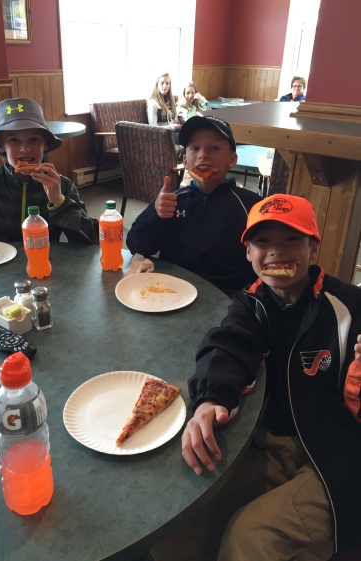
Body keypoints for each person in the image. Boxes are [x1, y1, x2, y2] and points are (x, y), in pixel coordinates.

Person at [152, 194, 361, 561]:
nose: (276, 251)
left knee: (249, 538)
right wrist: (210, 399)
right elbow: (228, 344)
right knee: (171, 532)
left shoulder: (349, 305)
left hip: (337, 458)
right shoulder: (250, 303)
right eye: (263, 241)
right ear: (248, 252)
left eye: (291, 239)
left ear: (313, 247)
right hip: (269, 445)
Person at [126, 115, 262, 297]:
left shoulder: (252, 206)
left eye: (214, 148)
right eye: (195, 148)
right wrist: (155, 213)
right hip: (172, 290)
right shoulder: (172, 201)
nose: (202, 154)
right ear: (185, 161)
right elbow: (137, 246)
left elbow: (261, 263)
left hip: (227, 295)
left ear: (232, 159)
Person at [0, 97, 99, 244]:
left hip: (43, 261)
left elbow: (90, 242)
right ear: (1, 145)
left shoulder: (62, 186)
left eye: (34, 139)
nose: (25, 149)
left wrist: (59, 202)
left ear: (45, 145)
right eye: (14, 140)